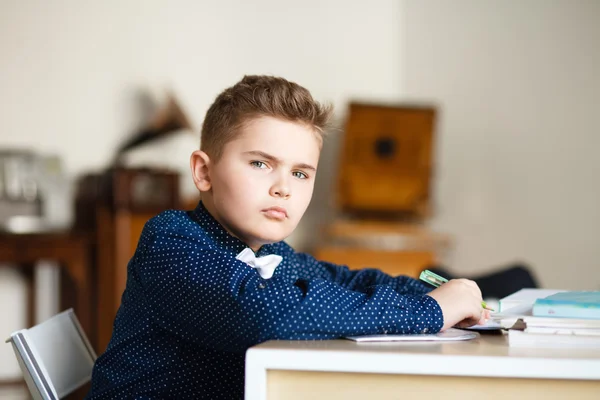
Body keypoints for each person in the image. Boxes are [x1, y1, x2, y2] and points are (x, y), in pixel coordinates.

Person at [86, 75, 488, 399]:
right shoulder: (171, 242)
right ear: (204, 172)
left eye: (300, 173)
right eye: (261, 164)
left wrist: (432, 293)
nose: (284, 188)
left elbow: (347, 280)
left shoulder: (271, 250)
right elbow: (264, 312)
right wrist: (428, 313)